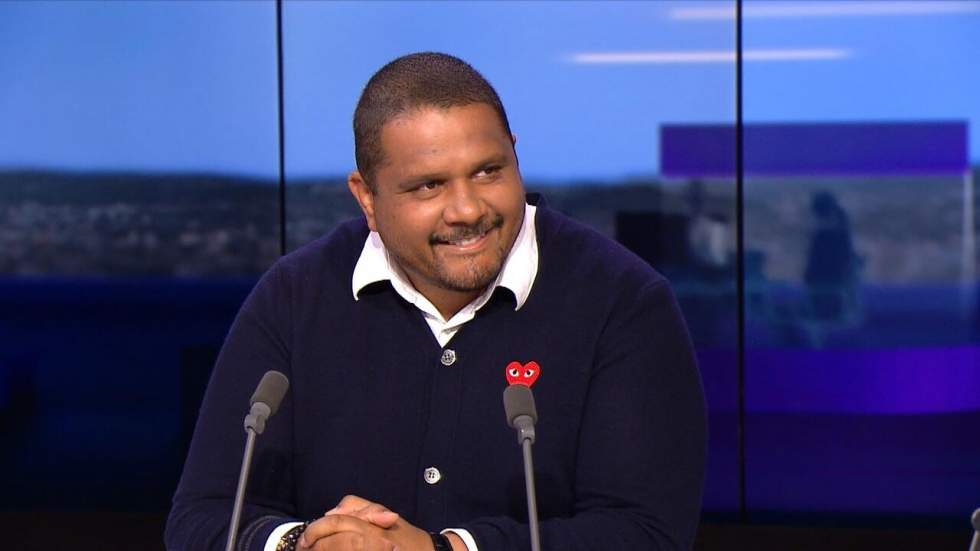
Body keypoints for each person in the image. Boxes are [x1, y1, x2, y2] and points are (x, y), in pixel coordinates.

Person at [165, 52, 706, 551]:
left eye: (488, 171)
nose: (467, 210)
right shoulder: (294, 296)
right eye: (428, 186)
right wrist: (308, 544)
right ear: (367, 197)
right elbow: (201, 517)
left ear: (515, 154)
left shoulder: (623, 302)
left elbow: (646, 532)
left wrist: (447, 550)